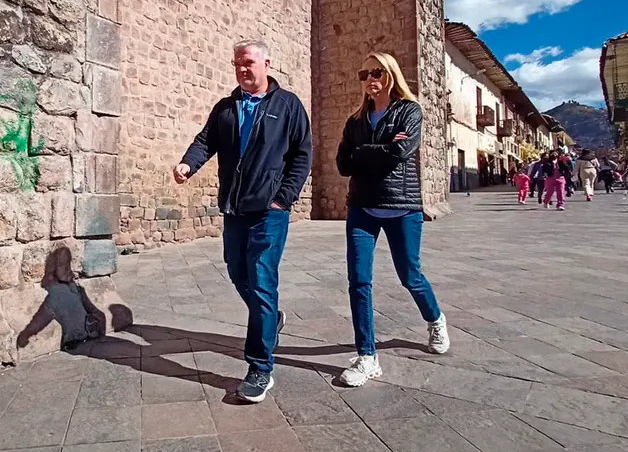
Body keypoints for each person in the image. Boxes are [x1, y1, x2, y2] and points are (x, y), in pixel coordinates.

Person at [173, 39, 312, 403]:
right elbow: (206, 141)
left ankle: (260, 367)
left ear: (266, 63)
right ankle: (271, 318)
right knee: (237, 272)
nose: (242, 69)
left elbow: (302, 155)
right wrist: (189, 163)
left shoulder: (288, 106)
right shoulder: (227, 107)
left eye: (248, 62)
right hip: (234, 209)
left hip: (270, 211)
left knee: (262, 281)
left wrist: (284, 199)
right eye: (237, 63)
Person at [334, 52, 449, 388]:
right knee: (359, 280)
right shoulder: (355, 121)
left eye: (377, 72)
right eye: (364, 72)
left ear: (390, 75)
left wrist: (363, 153)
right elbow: (343, 165)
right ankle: (367, 357)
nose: (370, 78)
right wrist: (380, 147)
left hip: (402, 206)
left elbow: (401, 154)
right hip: (361, 207)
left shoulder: (409, 111)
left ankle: (435, 319)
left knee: (410, 275)